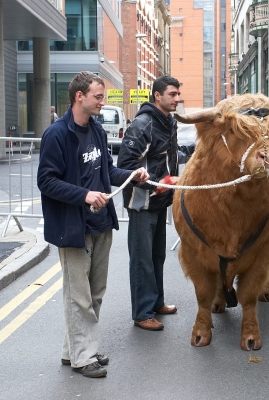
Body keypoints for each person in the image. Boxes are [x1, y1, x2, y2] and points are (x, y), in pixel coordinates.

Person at [37, 71, 149, 378]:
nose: (103, 102)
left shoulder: (98, 131)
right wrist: (84, 196)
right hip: (73, 227)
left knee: (95, 293)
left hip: (101, 224)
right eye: (98, 97)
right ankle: (83, 356)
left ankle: (74, 349)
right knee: (79, 296)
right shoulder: (57, 134)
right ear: (79, 97)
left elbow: (106, 173)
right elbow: (46, 181)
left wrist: (131, 174)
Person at [117, 75, 195, 331]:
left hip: (161, 201)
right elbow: (125, 166)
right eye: (172, 94)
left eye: (177, 94)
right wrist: (160, 182)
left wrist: (196, 149)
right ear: (157, 96)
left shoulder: (167, 121)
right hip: (142, 203)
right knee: (142, 260)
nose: (177, 98)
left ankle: (156, 302)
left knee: (157, 256)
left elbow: (172, 154)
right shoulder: (142, 125)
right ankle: (142, 314)